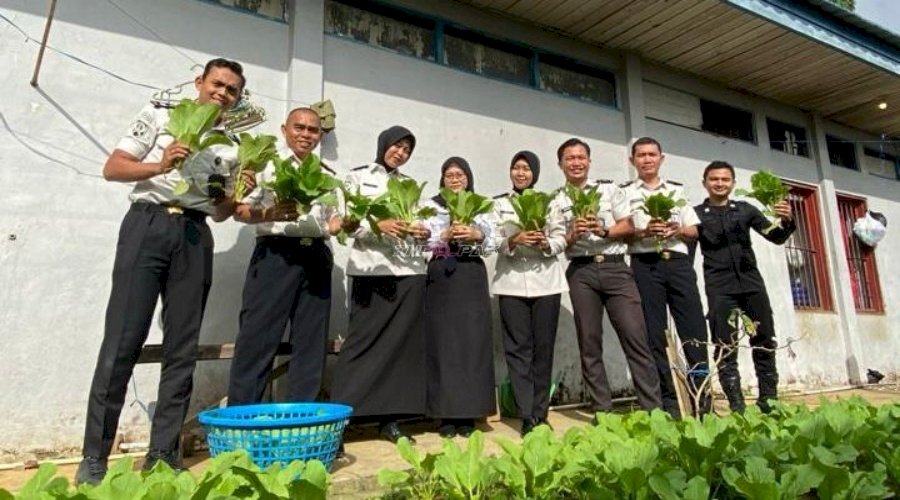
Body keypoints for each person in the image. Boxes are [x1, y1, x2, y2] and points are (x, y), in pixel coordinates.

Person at [77, 59, 252, 485]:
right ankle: (94, 458)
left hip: (195, 234)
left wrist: (236, 192)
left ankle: (162, 453)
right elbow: (113, 167)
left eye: (232, 90)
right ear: (199, 83)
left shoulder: (230, 145)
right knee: (122, 340)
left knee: (182, 348)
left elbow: (223, 212)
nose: (223, 93)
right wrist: (161, 165)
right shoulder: (159, 115)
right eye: (217, 84)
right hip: (148, 225)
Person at [227, 108, 342, 406]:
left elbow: (333, 221)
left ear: (321, 135)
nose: (306, 135)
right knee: (258, 336)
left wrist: (343, 225)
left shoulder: (328, 175)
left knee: (311, 342)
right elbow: (239, 211)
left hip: (316, 256)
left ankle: (303, 420)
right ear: (284, 130)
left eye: (313, 130)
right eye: (299, 128)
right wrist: (269, 213)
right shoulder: (265, 166)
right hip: (276, 254)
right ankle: (243, 419)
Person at [331, 126, 431, 444]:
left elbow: (423, 220)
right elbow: (343, 219)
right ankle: (341, 417)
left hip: (409, 271)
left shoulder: (410, 185)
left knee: (402, 348)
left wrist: (423, 231)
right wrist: (377, 225)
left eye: (406, 149)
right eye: (396, 146)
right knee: (361, 342)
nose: (400, 153)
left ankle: (391, 420)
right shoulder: (356, 177)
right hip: (370, 271)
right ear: (383, 144)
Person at [549, 138, 662, 417]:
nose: (576, 163)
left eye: (580, 157)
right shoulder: (556, 199)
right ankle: (602, 412)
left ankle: (653, 410)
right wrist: (573, 232)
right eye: (569, 158)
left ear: (589, 161)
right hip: (581, 271)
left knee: (635, 336)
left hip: (616, 268)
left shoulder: (609, 189)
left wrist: (603, 230)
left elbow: (629, 223)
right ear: (561, 164)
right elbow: (556, 239)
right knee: (589, 342)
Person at [695, 161, 795, 413]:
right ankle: (737, 406)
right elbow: (685, 248)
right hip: (719, 288)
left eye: (725, 179)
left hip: (751, 285)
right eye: (714, 179)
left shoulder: (746, 209)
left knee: (764, 341)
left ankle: (768, 402)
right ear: (705, 182)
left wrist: (786, 220)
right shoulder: (696, 214)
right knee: (725, 346)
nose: (720, 183)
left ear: (733, 183)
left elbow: (776, 237)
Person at [622, 137, 710, 418]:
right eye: (641, 155)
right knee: (654, 334)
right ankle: (669, 400)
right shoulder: (625, 194)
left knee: (694, 330)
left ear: (662, 158)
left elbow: (694, 230)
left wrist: (677, 230)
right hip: (645, 265)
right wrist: (644, 231)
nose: (647, 159)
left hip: (679, 265)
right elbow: (623, 231)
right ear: (632, 160)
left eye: (652, 154)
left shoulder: (676, 191)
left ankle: (702, 398)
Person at [492, 151, 568, 436]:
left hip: (546, 281)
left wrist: (545, 243)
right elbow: (490, 238)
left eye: (526, 169)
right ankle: (526, 414)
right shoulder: (499, 204)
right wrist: (514, 239)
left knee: (543, 349)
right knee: (517, 349)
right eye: (516, 168)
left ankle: (541, 412)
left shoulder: (550, 203)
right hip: (511, 282)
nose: (520, 173)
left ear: (534, 173)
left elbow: (562, 236)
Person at [422, 157, 496, 438]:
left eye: (460, 174)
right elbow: (420, 240)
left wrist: (476, 233)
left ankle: (470, 413)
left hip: (470, 273)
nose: (454, 179)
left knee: (472, 342)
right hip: (441, 273)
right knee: (443, 343)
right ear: (442, 179)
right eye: (449, 175)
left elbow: (493, 242)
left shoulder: (481, 204)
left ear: (468, 178)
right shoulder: (431, 206)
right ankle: (445, 415)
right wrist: (444, 234)